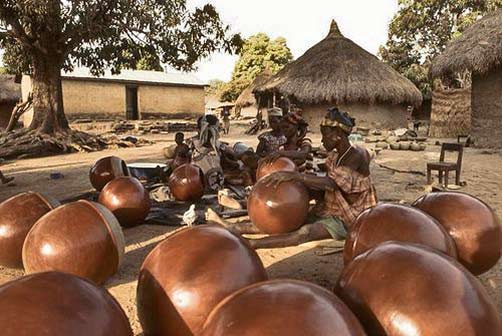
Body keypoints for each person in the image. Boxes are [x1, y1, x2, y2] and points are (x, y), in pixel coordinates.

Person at [206, 107, 378, 249]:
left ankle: (251, 244)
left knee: (305, 232)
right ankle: (233, 227)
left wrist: (294, 176)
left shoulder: (356, 155)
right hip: (331, 208)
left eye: (325, 134)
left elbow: (331, 183)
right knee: (286, 220)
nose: (323, 139)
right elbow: (330, 184)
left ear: (338, 135)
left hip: (351, 217)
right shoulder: (334, 155)